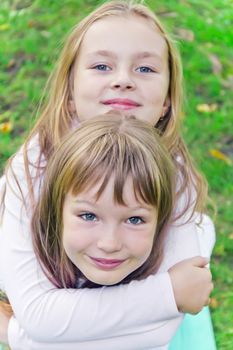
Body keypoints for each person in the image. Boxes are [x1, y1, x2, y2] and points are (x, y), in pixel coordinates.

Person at [0, 0, 215, 349]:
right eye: (101, 66)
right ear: (69, 91)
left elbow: (160, 333)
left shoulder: (175, 177)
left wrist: (19, 333)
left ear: (166, 102)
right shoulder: (31, 170)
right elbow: (39, 316)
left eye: (145, 69)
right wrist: (166, 293)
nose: (123, 81)